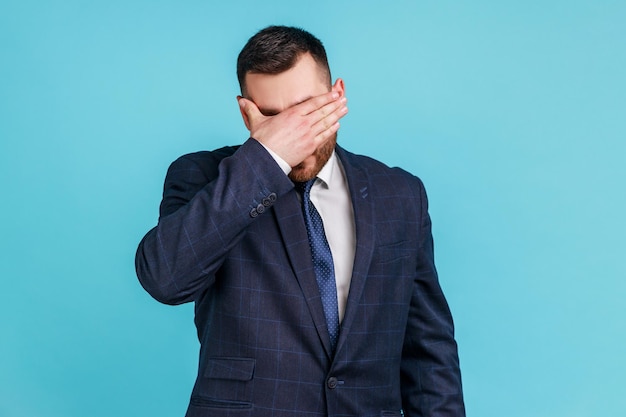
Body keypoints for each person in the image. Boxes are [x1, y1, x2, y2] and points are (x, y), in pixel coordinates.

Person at [135, 25, 465, 417]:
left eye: (307, 111)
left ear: (336, 96)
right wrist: (265, 158)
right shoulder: (205, 177)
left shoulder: (400, 195)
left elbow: (429, 353)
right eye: (276, 118)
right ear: (247, 113)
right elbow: (166, 279)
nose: (297, 134)